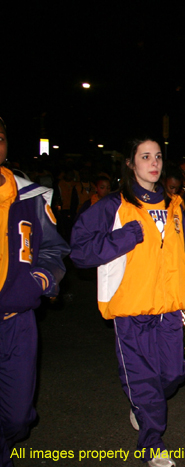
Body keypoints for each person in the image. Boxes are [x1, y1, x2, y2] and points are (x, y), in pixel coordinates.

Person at [71, 138, 185, 467]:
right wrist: (121, 238)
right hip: (131, 310)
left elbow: (182, 251)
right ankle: (152, 442)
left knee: (173, 375)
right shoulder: (113, 205)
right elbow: (79, 251)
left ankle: (142, 404)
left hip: (170, 308)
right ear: (131, 164)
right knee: (143, 381)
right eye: (145, 157)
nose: (153, 163)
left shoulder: (174, 204)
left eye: (157, 156)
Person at [0, 117, 70, 467]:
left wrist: (39, 281)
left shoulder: (29, 196)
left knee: (16, 417)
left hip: (16, 322)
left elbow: (54, 251)